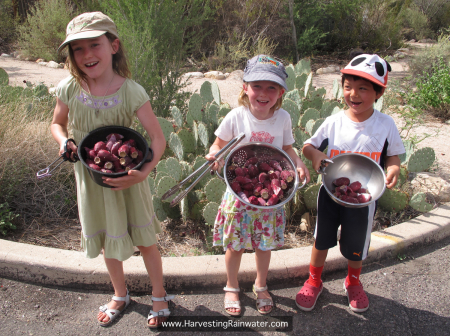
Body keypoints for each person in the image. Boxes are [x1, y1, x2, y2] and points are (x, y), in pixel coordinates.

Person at [51, 12, 171, 328]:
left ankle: (159, 294)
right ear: (71, 56)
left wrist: (144, 171)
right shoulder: (68, 88)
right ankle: (120, 293)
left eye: (95, 44)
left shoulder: (131, 90)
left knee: (145, 240)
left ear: (113, 45)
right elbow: (56, 123)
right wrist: (64, 142)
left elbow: (157, 139)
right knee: (106, 241)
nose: (87, 55)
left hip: (130, 179)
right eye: (78, 49)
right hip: (92, 181)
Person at [296, 54, 405, 313]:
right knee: (321, 239)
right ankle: (314, 280)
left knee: (357, 243)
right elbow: (308, 146)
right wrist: (316, 156)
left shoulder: (385, 124)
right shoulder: (334, 122)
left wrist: (393, 168)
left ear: (378, 93)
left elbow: (393, 155)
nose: (353, 94)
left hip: (365, 197)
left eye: (363, 88)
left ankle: (353, 281)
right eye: (348, 86)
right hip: (331, 193)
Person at [206, 55, 311, 316]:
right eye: (257, 86)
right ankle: (231, 286)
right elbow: (218, 145)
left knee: (264, 245)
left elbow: (287, 148)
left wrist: (297, 162)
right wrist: (214, 156)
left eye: (271, 87)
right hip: (238, 193)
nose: (263, 94)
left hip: (268, 194)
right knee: (235, 245)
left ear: (281, 92)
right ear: (245, 88)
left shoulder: (283, 118)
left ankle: (261, 285)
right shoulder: (236, 117)